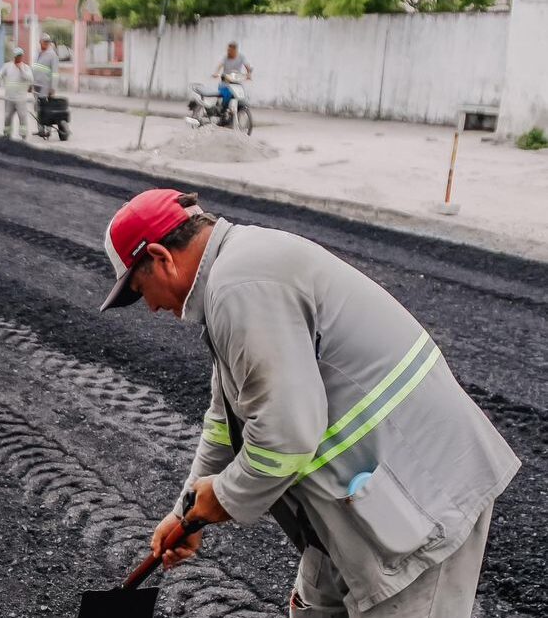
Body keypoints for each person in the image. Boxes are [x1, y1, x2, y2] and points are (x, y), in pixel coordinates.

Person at [99, 189, 519, 618]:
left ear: (161, 256)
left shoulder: (241, 286)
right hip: (363, 501)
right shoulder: (237, 275)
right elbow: (225, 421)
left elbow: (286, 435)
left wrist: (222, 497)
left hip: (421, 501)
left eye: (139, 288)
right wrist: (187, 512)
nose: (149, 306)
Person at [0, 47, 34, 139]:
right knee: (7, 117)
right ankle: (7, 134)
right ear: (13, 56)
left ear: (22, 56)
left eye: (19, 56)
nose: (17, 58)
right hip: (9, 98)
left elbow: (30, 79)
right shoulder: (7, 66)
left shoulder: (26, 68)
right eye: (16, 56)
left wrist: (21, 69)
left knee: (22, 117)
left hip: (21, 99)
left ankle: (23, 135)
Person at [213, 41, 252, 119]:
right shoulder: (225, 57)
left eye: (230, 50)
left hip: (236, 82)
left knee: (241, 95)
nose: (228, 52)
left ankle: (239, 110)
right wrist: (216, 73)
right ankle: (222, 110)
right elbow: (220, 65)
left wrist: (249, 74)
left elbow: (247, 65)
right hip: (225, 82)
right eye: (228, 50)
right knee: (226, 94)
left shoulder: (241, 57)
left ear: (235, 50)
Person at [32, 33, 59, 137]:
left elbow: (55, 73)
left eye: (47, 42)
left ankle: (48, 130)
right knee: (38, 109)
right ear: (40, 42)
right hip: (36, 86)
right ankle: (40, 129)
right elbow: (34, 68)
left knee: (46, 109)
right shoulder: (38, 53)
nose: (45, 44)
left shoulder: (52, 55)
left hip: (46, 87)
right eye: (43, 42)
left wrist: (53, 88)